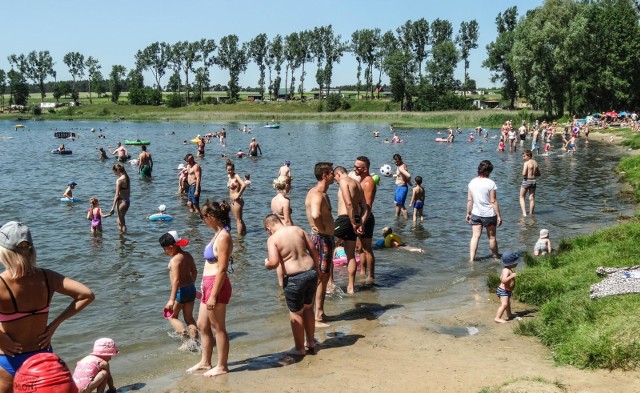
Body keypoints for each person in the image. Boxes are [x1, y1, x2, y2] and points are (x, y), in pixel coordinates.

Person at [0, 221, 95, 391]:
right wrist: (53, 326)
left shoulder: (1, 283)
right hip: (42, 356)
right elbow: (86, 295)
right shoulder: (47, 277)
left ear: (4, 252)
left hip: (8, 358)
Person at [188, 200, 233, 377]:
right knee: (202, 324)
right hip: (208, 284)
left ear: (211, 217)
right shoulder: (217, 233)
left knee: (218, 327)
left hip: (217, 285)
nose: (203, 220)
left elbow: (222, 269)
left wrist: (213, 294)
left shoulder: (224, 237)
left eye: (203, 217)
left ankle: (222, 365)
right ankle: (205, 362)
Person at [264, 214, 319, 356]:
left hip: (295, 278)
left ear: (268, 228)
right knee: (308, 308)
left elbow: (274, 262)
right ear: (280, 221)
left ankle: (299, 348)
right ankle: (311, 342)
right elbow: (313, 249)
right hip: (311, 273)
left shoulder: (273, 239)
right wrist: (317, 269)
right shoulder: (298, 230)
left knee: (296, 313)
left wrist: (267, 264)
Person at [305, 162, 335, 326]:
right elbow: (316, 214)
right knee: (321, 277)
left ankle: (320, 312)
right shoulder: (317, 194)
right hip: (322, 238)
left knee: (323, 277)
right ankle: (316, 316)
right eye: (331, 173)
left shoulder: (318, 193)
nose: (333, 175)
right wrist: (323, 230)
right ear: (324, 175)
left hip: (324, 238)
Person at [333, 166, 369, 294]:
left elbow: (348, 203)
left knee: (326, 246)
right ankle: (351, 287)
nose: (335, 181)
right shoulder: (358, 185)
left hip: (344, 219)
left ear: (338, 174)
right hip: (356, 219)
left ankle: (330, 283)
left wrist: (353, 222)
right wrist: (361, 223)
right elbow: (365, 208)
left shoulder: (344, 182)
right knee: (351, 255)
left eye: (335, 177)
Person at [159, 231, 198, 341]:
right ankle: (195, 340)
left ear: (172, 247)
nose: (164, 251)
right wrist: (191, 285)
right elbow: (194, 272)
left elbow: (176, 280)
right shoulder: (188, 255)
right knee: (189, 318)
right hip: (191, 289)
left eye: (165, 248)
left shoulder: (175, 260)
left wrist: (171, 300)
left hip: (180, 291)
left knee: (172, 317)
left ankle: (184, 336)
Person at [466, 160, 502, 262]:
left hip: (476, 213)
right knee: (491, 237)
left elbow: (469, 200)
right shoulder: (490, 183)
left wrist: (468, 213)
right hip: (489, 214)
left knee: (475, 237)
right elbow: (493, 201)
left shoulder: (472, 182)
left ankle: (472, 259)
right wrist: (499, 216)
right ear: (489, 171)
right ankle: (495, 257)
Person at [354, 156, 377, 280]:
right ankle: (362, 273)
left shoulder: (368, 182)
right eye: (355, 166)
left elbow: (367, 206)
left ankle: (371, 276)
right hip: (358, 218)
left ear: (365, 168)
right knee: (359, 248)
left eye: (357, 167)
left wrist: (362, 223)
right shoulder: (360, 180)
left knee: (367, 249)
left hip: (366, 219)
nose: (355, 169)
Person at [495, 252, 519, 323]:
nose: (517, 264)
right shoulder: (506, 270)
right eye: (515, 262)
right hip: (503, 291)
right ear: (511, 263)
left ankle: (509, 314)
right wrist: (511, 276)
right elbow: (503, 280)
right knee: (504, 304)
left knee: (508, 303)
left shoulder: (508, 270)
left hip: (507, 290)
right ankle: (497, 318)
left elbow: (501, 278)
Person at [225, 159, 247, 236]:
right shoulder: (229, 177)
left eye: (231, 170)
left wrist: (239, 195)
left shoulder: (236, 176)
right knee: (239, 219)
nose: (230, 171)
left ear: (234, 169)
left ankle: (239, 238)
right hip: (233, 201)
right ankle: (244, 233)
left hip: (237, 200)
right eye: (228, 170)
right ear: (226, 170)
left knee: (238, 220)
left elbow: (243, 185)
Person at [109, 164, 130, 233]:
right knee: (119, 220)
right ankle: (121, 238)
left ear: (117, 170)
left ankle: (123, 240)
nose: (115, 174)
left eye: (114, 172)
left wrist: (112, 207)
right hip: (127, 201)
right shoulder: (127, 177)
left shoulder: (119, 180)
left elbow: (116, 195)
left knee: (122, 223)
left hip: (121, 202)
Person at [520, 150, 541, 217]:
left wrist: (523, 173)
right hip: (533, 181)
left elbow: (524, 173)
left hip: (526, 181)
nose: (523, 158)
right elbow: (539, 174)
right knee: (531, 198)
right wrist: (533, 174)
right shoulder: (535, 162)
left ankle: (524, 214)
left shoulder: (526, 163)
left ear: (529, 156)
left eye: (524, 156)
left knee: (521, 197)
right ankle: (531, 214)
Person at [392, 154, 412, 219]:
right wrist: (391, 175)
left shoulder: (400, 167)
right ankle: (397, 217)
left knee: (401, 205)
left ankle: (406, 219)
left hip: (402, 187)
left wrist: (408, 181)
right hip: (399, 187)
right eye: (395, 162)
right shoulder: (401, 165)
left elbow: (408, 175)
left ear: (400, 160)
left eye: (398, 161)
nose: (396, 163)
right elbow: (401, 175)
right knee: (396, 203)